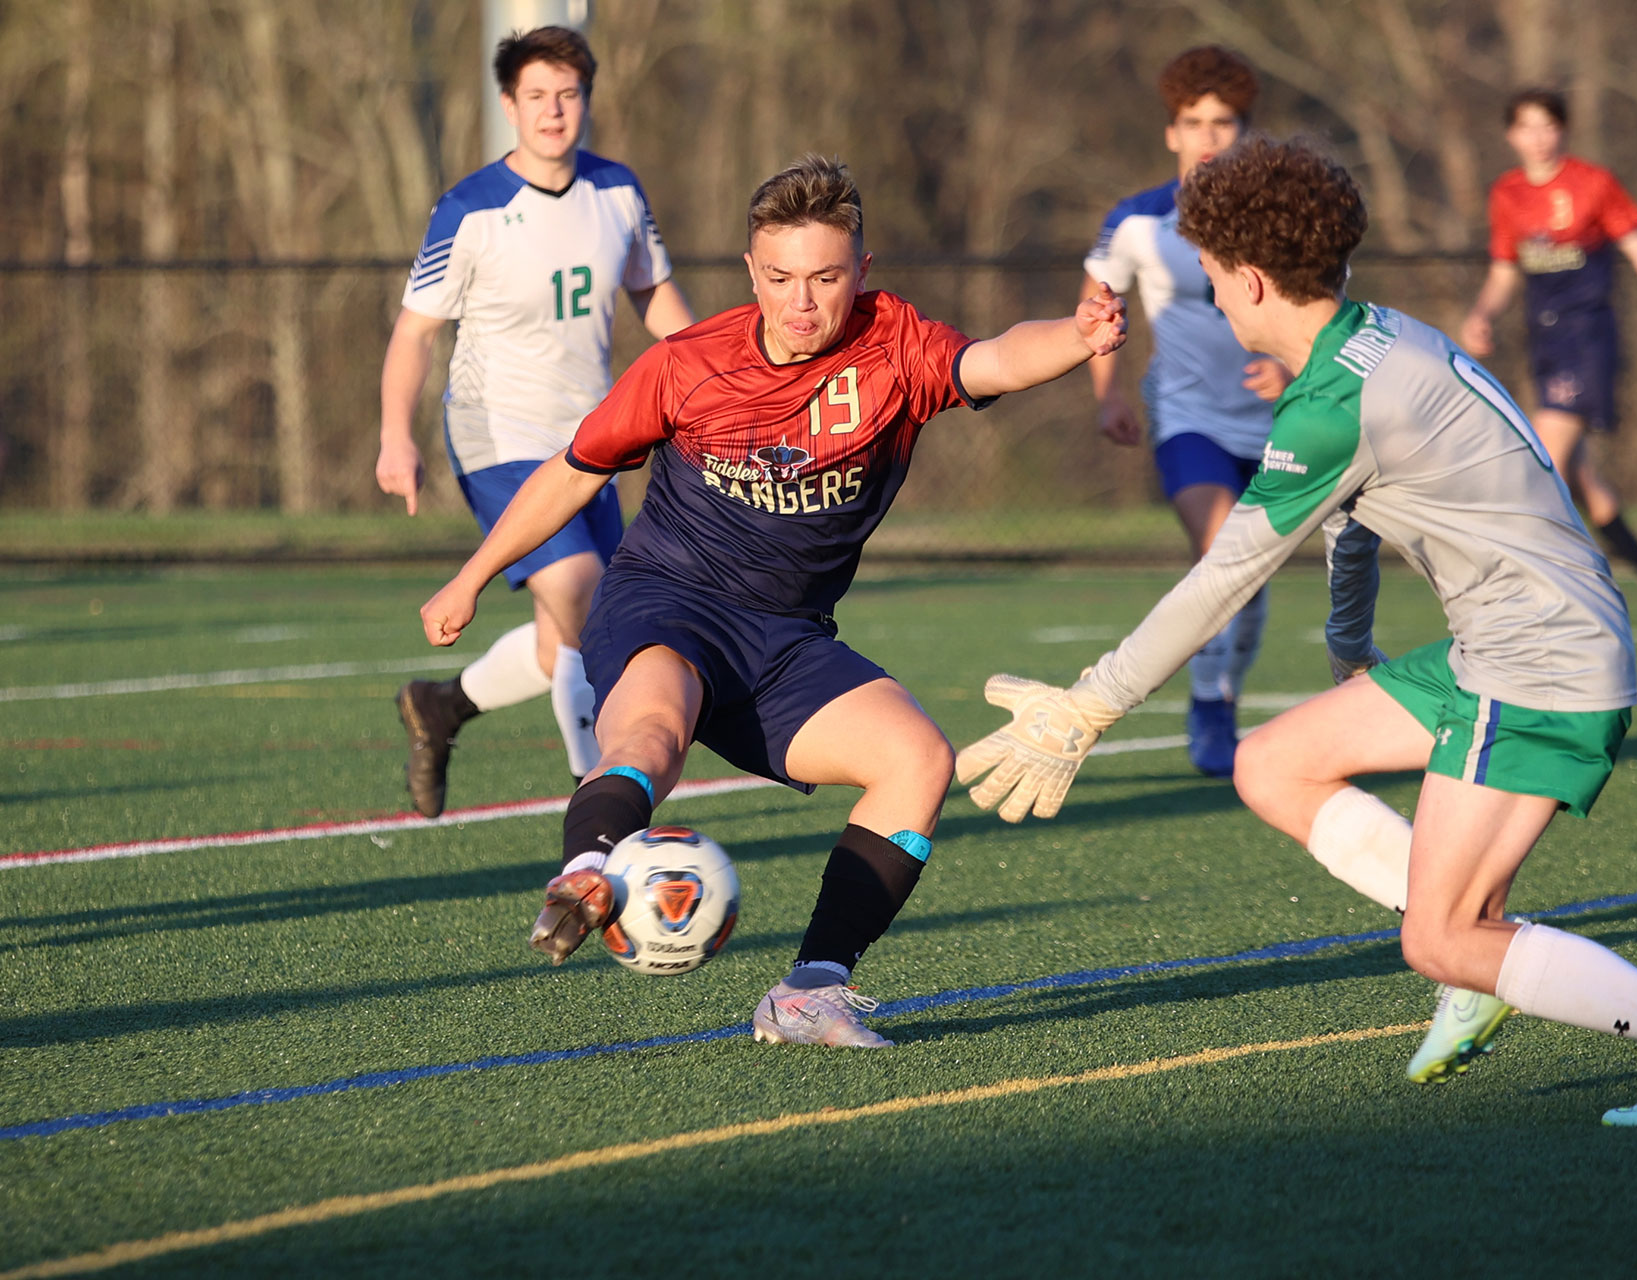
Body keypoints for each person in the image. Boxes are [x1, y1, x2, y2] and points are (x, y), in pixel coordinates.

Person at [958, 135, 1637, 1126]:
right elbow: (1352, 523)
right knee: (1270, 763)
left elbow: (1225, 573)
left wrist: (1090, 703)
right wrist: (1352, 653)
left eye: (1214, 280)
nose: (1211, 300)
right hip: (1505, 642)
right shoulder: (1373, 336)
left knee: (1437, 938)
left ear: (1255, 280)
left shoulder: (1332, 403)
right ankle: (1485, 957)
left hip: (1539, 661)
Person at [419, 155, 1127, 1048]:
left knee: (917, 760)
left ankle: (810, 991)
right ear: (752, 274)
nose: (803, 302)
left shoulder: (895, 348)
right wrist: (472, 574)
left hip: (787, 640)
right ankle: (589, 870)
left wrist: (1076, 335)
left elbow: (995, 359)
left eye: (826, 278)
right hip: (665, 604)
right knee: (650, 737)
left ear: (861, 273)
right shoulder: (687, 365)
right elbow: (574, 470)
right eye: (783, 279)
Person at [376, 26, 697, 818]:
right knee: (583, 590)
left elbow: (653, 295)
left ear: (586, 100)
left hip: (592, 441)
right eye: (537, 97)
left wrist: (712, 375)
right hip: (500, 438)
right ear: (509, 106)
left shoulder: (617, 190)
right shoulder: (471, 209)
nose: (555, 111)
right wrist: (395, 434)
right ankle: (605, 807)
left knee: (575, 639)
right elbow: (415, 331)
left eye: (569, 94)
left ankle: (442, 705)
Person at [1085, 46, 1382, 773]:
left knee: (1253, 570)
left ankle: (1222, 692)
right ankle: (1211, 709)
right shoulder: (1140, 223)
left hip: (1284, 421)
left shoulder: (1282, 221)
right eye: (1194, 121)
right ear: (1171, 132)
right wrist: (1108, 394)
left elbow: (1329, 312)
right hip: (1188, 417)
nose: (1208, 136)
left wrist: (1294, 371)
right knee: (1222, 549)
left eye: (1224, 122)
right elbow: (1099, 305)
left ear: (1245, 131)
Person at [1461, 89, 1637, 630]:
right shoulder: (1508, 193)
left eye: (1549, 125)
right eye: (1527, 127)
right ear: (1511, 136)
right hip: (1543, 343)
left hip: (1587, 340)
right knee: (1580, 482)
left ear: (1564, 130)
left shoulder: (1593, 184)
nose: (1539, 137)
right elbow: (1503, 271)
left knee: (1539, 460)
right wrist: (1482, 315)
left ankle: (1546, 593)